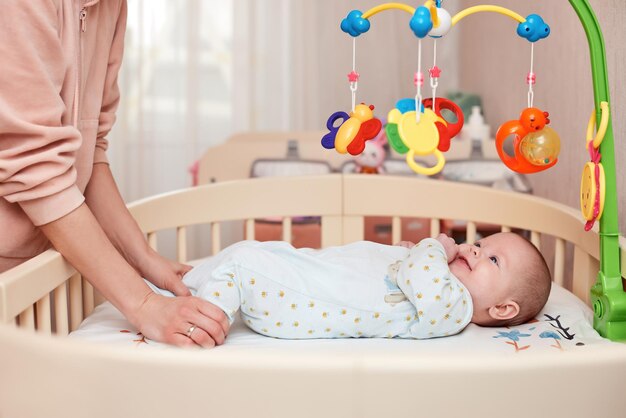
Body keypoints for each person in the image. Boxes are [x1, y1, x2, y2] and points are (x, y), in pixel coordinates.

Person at [0, 1, 228, 347]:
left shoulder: (111, 7)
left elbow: (88, 153)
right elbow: (35, 168)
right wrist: (143, 303)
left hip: (34, 275)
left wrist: (146, 259)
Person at [149, 232, 552, 343]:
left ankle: (201, 324)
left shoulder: (457, 309)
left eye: (493, 261)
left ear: (502, 310)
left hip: (303, 302)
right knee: (247, 251)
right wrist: (403, 253)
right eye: (482, 245)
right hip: (313, 274)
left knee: (242, 267)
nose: (476, 252)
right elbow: (398, 272)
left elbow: (421, 283)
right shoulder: (443, 280)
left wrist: (432, 247)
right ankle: (181, 291)